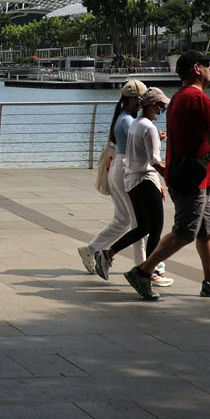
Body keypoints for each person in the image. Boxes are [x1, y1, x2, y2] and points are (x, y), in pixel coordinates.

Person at [126, 51, 210, 301]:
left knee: (207, 228)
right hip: (191, 178)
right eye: (207, 65)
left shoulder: (179, 99)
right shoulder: (198, 99)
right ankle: (143, 271)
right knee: (185, 231)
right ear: (196, 68)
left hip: (190, 175)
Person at [108, 87, 171, 296]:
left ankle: (109, 253)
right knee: (156, 229)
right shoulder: (149, 127)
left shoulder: (135, 123)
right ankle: (146, 273)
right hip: (145, 180)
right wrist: (169, 178)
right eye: (161, 106)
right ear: (153, 106)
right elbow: (155, 160)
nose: (162, 109)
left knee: (143, 227)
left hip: (132, 180)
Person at [80, 79, 144, 279]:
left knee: (123, 219)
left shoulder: (122, 117)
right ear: (135, 100)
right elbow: (139, 146)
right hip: (125, 169)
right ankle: (144, 266)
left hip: (117, 167)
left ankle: (91, 249)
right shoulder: (127, 121)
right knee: (139, 222)